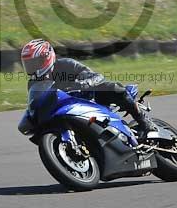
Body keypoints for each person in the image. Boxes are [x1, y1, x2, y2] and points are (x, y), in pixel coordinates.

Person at [20, 38, 158, 140]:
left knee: (115, 89)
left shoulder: (66, 65)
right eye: (29, 64)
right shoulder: (33, 83)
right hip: (66, 109)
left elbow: (96, 76)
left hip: (89, 97)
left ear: (47, 58)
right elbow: (37, 101)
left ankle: (144, 122)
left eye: (34, 63)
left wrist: (84, 83)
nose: (32, 68)